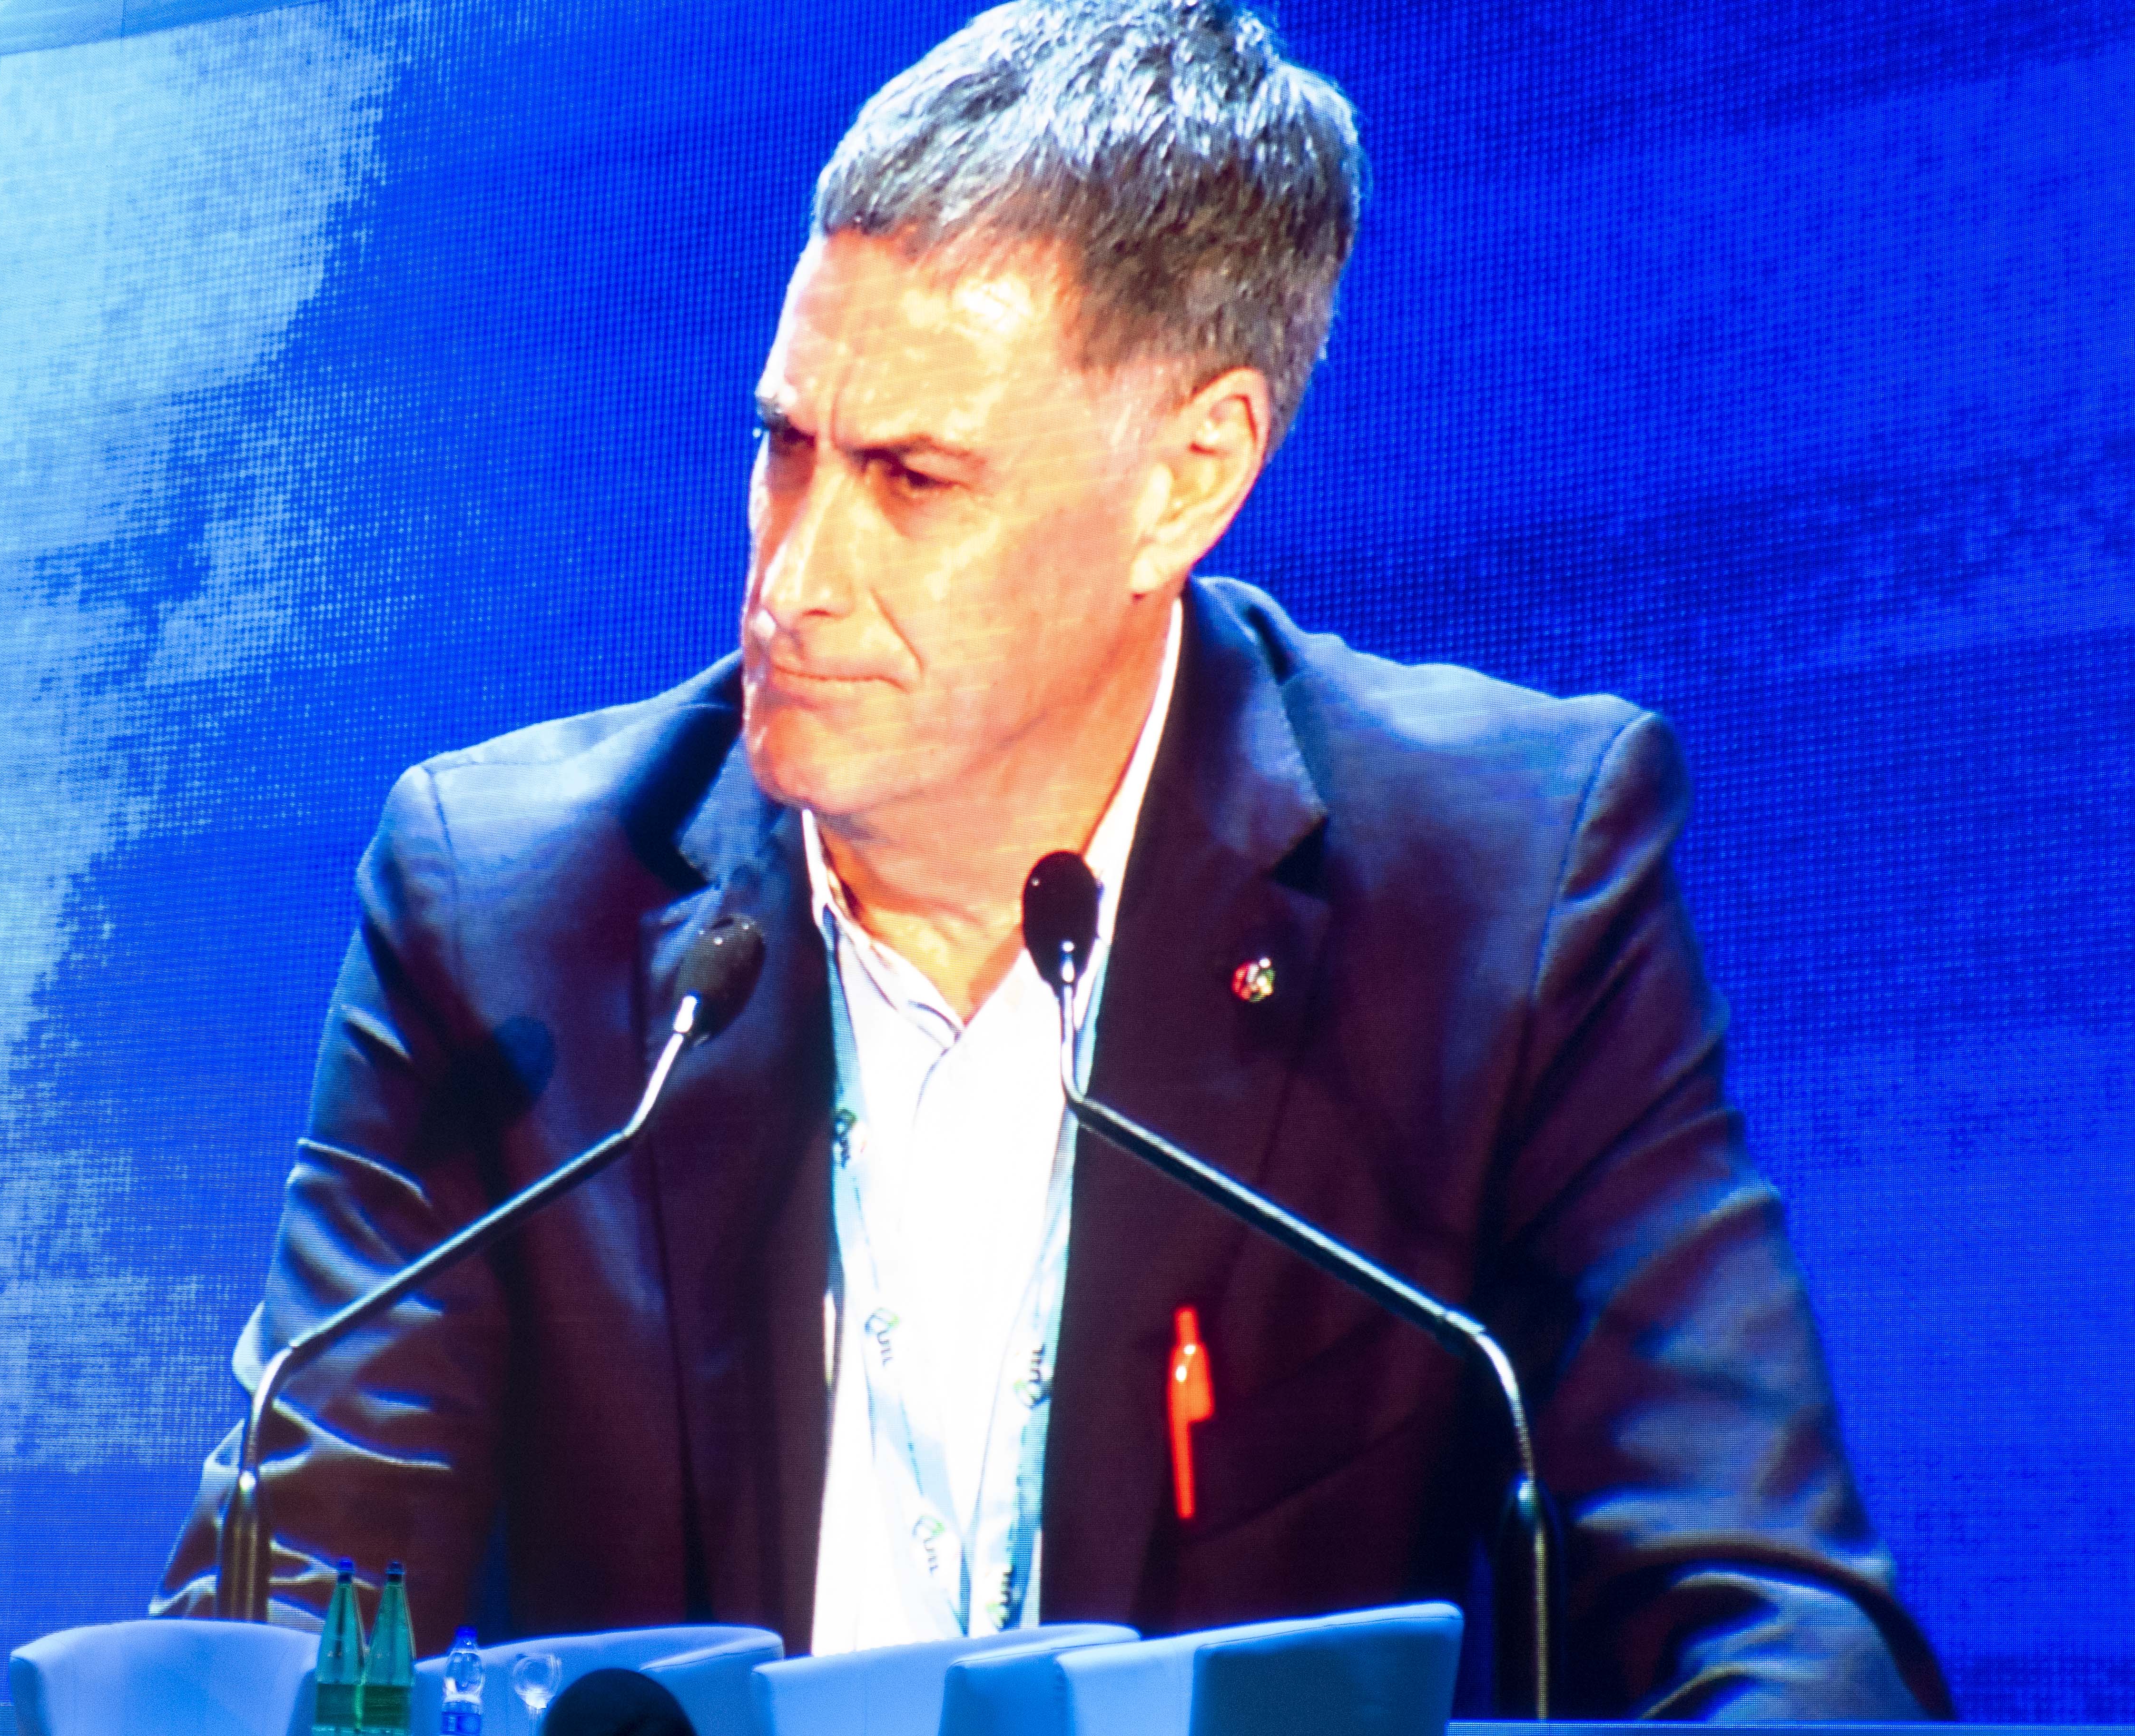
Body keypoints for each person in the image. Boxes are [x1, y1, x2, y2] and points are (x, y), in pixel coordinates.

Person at [158, 0, 1948, 1715]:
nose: (794, 579)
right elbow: (284, 1626)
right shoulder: (508, 916)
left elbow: (1769, 1623)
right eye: (785, 449)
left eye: (912, 480)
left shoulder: (1493, 893)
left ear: (1191, 477)